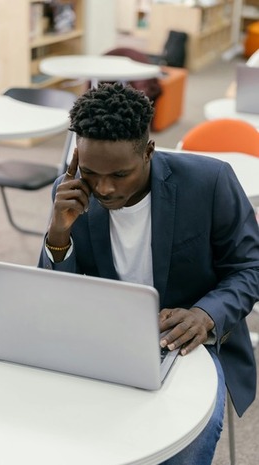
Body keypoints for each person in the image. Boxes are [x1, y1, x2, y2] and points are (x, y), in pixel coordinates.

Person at [38, 82, 259, 464]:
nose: (104, 189)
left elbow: (249, 267)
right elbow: (53, 297)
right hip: (106, 338)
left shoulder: (209, 182)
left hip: (192, 344)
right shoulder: (71, 194)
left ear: (149, 153)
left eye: (120, 175)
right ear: (76, 158)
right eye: (91, 172)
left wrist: (206, 314)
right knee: (53, 422)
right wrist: (59, 233)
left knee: (186, 442)